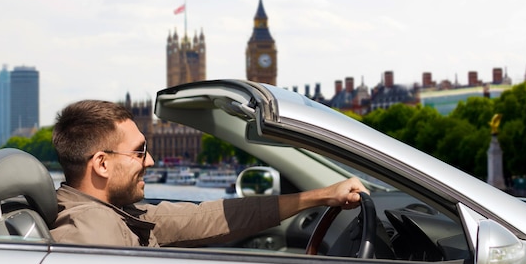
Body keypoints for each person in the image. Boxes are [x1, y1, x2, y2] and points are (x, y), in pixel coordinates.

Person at [50, 100, 368, 247]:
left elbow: (207, 216)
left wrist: (323, 196)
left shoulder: (117, 213)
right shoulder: (90, 231)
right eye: (139, 151)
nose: (151, 161)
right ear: (102, 164)